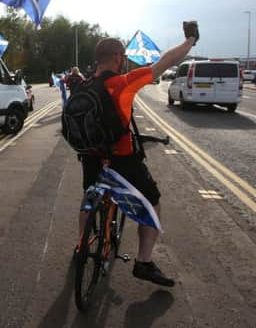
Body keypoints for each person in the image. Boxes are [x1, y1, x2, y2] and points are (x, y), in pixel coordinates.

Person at [79, 22, 198, 287]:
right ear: (118, 58)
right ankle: (143, 262)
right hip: (122, 159)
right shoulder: (124, 83)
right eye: (123, 57)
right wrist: (190, 40)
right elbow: (166, 61)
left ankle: (81, 247)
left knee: (89, 199)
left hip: (90, 157)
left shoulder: (83, 86)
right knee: (152, 200)